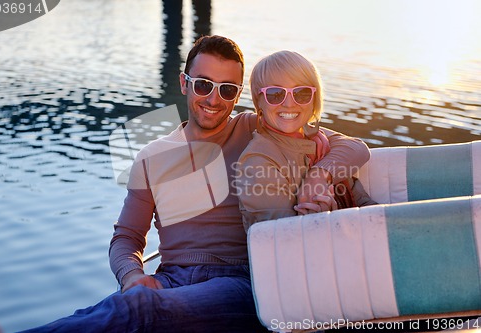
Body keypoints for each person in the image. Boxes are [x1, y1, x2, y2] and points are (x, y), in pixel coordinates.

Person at [20, 35, 370, 333]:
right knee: (131, 303)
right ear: (185, 83)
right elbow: (126, 238)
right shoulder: (151, 157)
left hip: (242, 279)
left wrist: (320, 175)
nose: (214, 99)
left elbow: (351, 146)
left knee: (138, 311)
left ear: (238, 96)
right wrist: (130, 276)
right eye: (203, 85)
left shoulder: (259, 127)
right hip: (171, 280)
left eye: (227, 89)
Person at [235, 50, 376, 231]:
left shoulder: (315, 138)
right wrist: (326, 220)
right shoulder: (257, 162)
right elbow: (280, 242)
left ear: (314, 99)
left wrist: (318, 175)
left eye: (301, 93)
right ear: (258, 101)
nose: (289, 103)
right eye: (275, 93)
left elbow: (358, 148)